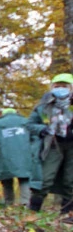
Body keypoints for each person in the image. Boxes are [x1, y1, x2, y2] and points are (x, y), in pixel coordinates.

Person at [26, 73, 73, 215]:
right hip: (52, 145)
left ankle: (67, 214)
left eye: (64, 86)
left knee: (70, 181)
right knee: (44, 179)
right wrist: (43, 129)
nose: (60, 89)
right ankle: (33, 212)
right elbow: (30, 124)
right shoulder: (43, 105)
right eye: (57, 86)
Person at [0, 108, 31, 206]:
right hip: (25, 155)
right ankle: (25, 203)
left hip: (5, 156)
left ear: (3, 114)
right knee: (24, 178)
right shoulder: (25, 122)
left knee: (6, 179)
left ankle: (9, 203)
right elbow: (34, 136)